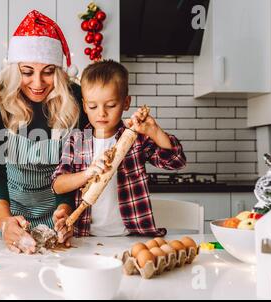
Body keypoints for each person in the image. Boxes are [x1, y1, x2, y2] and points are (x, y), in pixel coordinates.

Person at [0, 10, 88, 253]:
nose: (37, 83)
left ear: (59, 71)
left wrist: (65, 213)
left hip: (61, 220)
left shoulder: (77, 99)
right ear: (14, 68)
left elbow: (75, 170)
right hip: (9, 218)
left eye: (48, 71)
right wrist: (6, 221)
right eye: (27, 72)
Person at [52, 60, 187, 237]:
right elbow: (58, 185)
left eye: (110, 105)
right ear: (85, 106)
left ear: (126, 103)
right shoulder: (77, 141)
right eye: (93, 106)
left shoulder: (136, 139)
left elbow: (176, 161)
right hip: (85, 237)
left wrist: (154, 131)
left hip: (131, 237)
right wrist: (88, 173)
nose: (101, 113)